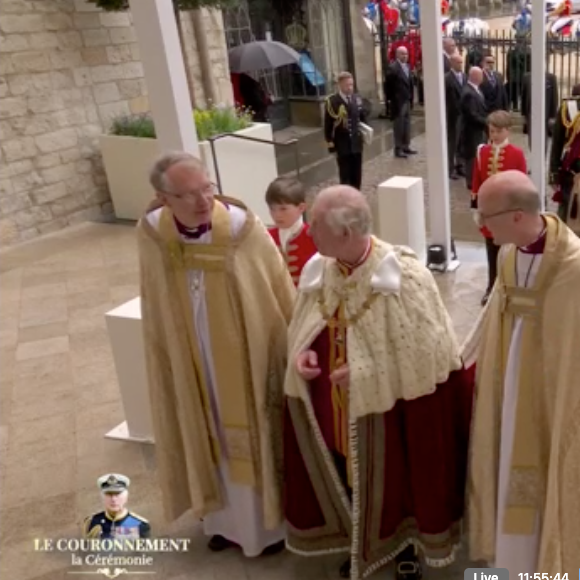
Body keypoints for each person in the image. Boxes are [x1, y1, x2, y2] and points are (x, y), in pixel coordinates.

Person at [283, 185, 474, 580]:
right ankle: (359, 540)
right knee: (344, 472)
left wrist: (369, 372)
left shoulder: (405, 275)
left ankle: (406, 547)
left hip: (391, 413)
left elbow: (431, 354)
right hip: (332, 407)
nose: (308, 230)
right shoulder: (323, 267)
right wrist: (301, 353)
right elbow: (305, 324)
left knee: (398, 480)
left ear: (346, 233)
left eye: (315, 224)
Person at [137, 152, 296, 557]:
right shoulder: (154, 231)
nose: (203, 201)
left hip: (242, 353)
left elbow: (274, 290)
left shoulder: (241, 226)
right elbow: (154, 296)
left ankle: (265, 527)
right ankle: (220, 520)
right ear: (163, 197)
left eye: (206, 188)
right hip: (189, 351)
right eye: (187, 194)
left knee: (246, 425)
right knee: (204, 426)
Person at [463, 170, 580, 578]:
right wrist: (459, 360)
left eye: (486, 216)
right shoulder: (510, 254)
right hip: (508, 382)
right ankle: (511, 566)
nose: (480, 226)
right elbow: (492, 315)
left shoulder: (574, 266)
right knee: (507, 453)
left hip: (554, 391)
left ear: (515, 215)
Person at [471, 110, 527, 305]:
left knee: (509, 253)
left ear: (507, 131)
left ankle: (508, 287)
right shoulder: (482, 152)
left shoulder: (517, 154)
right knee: (491, 251)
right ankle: (491, 286)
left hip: (508, 212)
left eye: (497, 131)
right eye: (491, 131)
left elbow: (521, 184)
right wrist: (476, 208)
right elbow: (476, 181)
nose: (493, 135)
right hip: (489, 212)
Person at [265, 176, 317, 286]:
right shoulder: (266, 237)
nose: (277, 214)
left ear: (301, 208)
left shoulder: (314, 236)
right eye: (272, 209)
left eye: (283, 209)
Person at [324, 71, 368, 189]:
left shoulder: (357, 98)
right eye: (347, 85)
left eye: (351, 85)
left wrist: (365, 134)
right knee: (345, 174)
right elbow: (328, 124)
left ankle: (356, 195)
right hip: (342, 143)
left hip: (356, 142)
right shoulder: (332, 101)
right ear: (340, 85)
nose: (350, 88)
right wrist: (330, 142)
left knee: (357, 174)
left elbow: (362, 119)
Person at [549, 84, 580, 230]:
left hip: (571, 169)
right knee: (566, 214)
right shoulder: (568, 108)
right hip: (571, 171)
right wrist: (554, 173)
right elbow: (557, 143)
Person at [83, 474, 150, 539]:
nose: (113, 499)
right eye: (109, 494)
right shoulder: (92, 522)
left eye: (117, 494)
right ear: (102, 498)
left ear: (126, 497)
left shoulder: (139, 524)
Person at [385, 46, 417, 159]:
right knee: (399, 125)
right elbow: (388, 86)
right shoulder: (393, 68)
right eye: (403, 54)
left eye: (406, 54)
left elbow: (410, 84)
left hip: (407, 99)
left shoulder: (408, 67)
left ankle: (406, 145)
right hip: (398, 101)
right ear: (397, 55)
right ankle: (398, 148)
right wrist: (391, 100)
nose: (405, 56)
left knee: (407, 124)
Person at [460, 66, 488, 191]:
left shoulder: (476, 90)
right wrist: (487, 122)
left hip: (478, 130)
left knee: (478, 154)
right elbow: (472, 114)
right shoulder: (469, 93)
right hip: (472, 131)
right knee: (472, 155)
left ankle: (477, 177)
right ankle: (471, 181)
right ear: (475, 76)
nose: (483, 77)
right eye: (481, 75)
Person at [521, 71, 559, 154]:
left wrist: (553, 116)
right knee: (532, 138)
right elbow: (524, 96)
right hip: (531, 113)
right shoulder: (527, 77)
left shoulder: (551, 77)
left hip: (545, 113)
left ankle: (542, 160)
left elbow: (554, 97)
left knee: (543, 139)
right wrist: (523, 114)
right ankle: (534, 159)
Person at [445, 51, 466, 180]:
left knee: (461, 142)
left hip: (463, 115)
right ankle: (450, 168)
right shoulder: (447, 79)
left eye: (461, 62)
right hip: (452, 115)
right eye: (458, 62)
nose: (460, 65)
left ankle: (460, 165)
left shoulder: (464, 76)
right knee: (452, 143)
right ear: (452, 63)